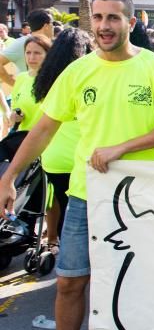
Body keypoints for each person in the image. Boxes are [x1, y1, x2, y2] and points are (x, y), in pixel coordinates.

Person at [7, 0, 154, 330]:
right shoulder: (78, 71)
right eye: (98, 17)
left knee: (143, 284)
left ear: (130, 22)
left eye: (114, 18)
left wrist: (122, 147)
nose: (105, 26)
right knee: (71, 281)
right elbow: (44, 128)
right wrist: (10, 176)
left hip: (143, 199)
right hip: (86, 196)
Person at [31, 29, 92, 251]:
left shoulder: (44, 79)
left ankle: (65, 249)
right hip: (80, 158)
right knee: (85, 215)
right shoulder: (83, 76)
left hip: (53, 157)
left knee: (63, 205)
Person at [0, 9, 55, 86]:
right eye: (53, 23)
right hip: (26, 95)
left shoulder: (52, 43)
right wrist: (15, 85)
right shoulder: (21, 43)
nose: (54, 27)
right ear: (46, 26)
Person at [8, 35, 52, 132]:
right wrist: (15, 116)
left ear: (48, 54)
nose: (31, 57)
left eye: (37, 53)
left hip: (46, 141)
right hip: (22, 138)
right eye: (28, 53)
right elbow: (14, 107)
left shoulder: (54, 80)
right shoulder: (21, 78)